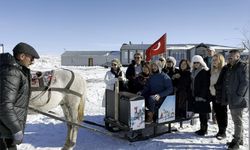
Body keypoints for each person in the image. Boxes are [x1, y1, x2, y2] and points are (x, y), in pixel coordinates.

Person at [0, 42, 40, 150]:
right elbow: (4, 105)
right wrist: (16, 130)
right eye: (31, 58)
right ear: (22, 56)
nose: (32, 62)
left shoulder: (15, 70)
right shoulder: (12, 72)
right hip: (4, 132)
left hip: (6, 129)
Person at [217, 50, 248, 150]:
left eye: (231, 56)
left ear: (238, 56)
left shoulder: (242, 66)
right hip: (231, 98)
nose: (229, 58)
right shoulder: (230, 67)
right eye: (228, 56)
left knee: (237, 121)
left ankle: (236, 142)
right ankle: (240, 139)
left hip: (237, 98)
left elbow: (245, 82)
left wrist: (239, 96)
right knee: (237, 120)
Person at [191, 55, 211, 136]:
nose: (196, 64)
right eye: (194, 62)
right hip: (197, 96)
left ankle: (204, 129)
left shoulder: (204, 71)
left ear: (201, 63)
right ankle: (201, 128)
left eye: (197, 62)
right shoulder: (194, 71)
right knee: (201, 114)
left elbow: (205, 85)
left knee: (204, 114)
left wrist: (202, 96)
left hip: (203, 96)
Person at [209, 53, 228, 140]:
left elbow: (224, 83)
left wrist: (215, 87)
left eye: (216, 59)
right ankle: (220, 130)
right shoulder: (213, 70)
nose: (214, 61)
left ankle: (223, 132)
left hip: (221, 95)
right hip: (214, 95)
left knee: (222, 113)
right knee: (217, 113)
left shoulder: (224, 70)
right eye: (213, 60)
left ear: (220, 60)